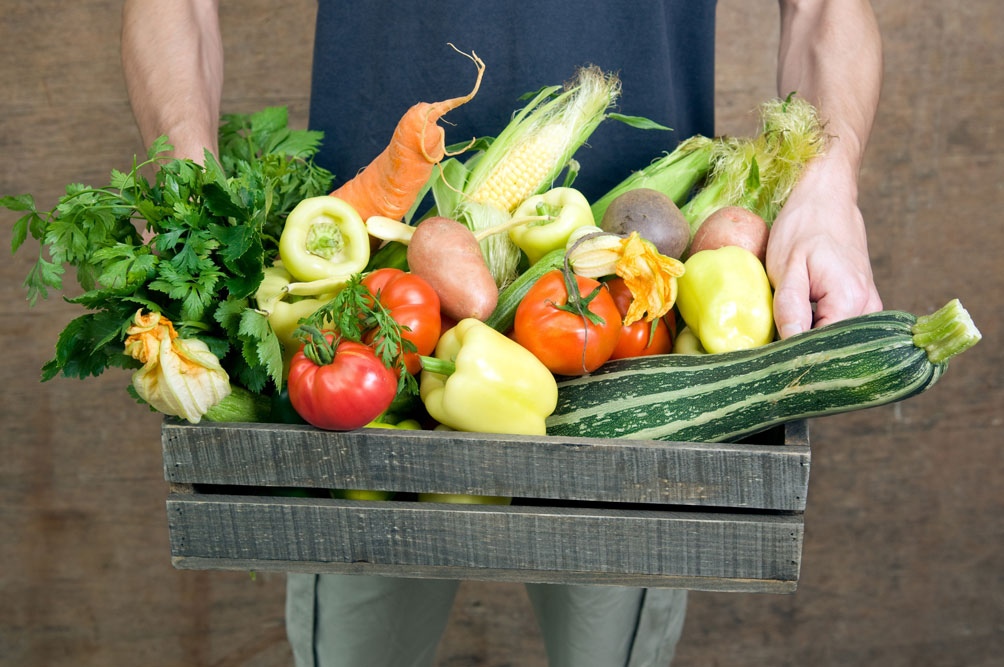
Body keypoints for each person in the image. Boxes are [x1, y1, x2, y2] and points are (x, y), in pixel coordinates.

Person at [121, 2, 884, 665]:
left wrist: (830, 180)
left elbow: (823, 7)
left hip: (636, 325)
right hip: (357, 322)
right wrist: (187, 176)